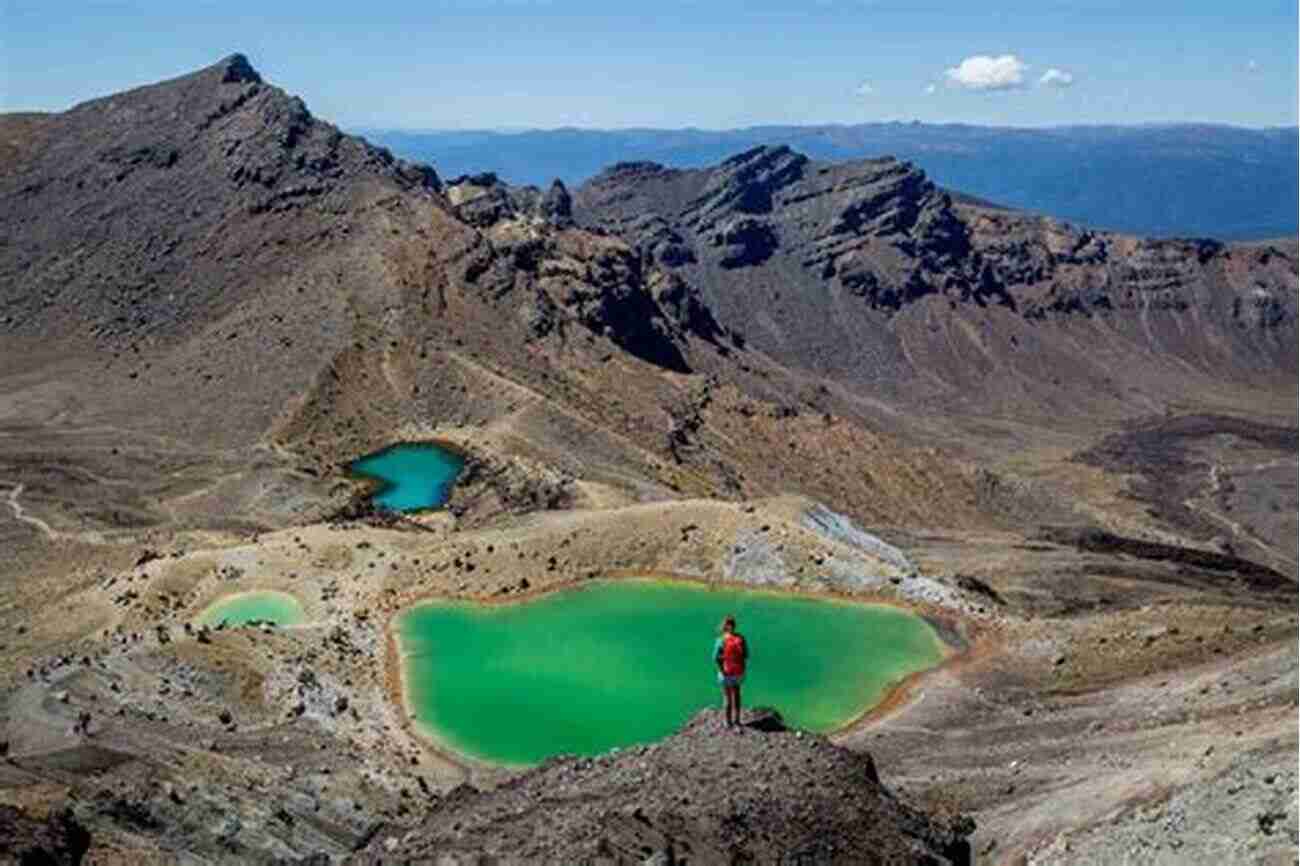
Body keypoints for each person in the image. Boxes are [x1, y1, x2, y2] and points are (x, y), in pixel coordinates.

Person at [713, 614, 748, 729]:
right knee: (737, 695)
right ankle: (737, 720)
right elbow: (746, 655)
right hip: (738, 673)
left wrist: (721, 670)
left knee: (727, 697)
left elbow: (715, 658)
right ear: (734, 626)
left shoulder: (721, 640)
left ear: (725, 626)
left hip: (726, 673)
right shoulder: (741, 639)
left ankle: (728, 723)